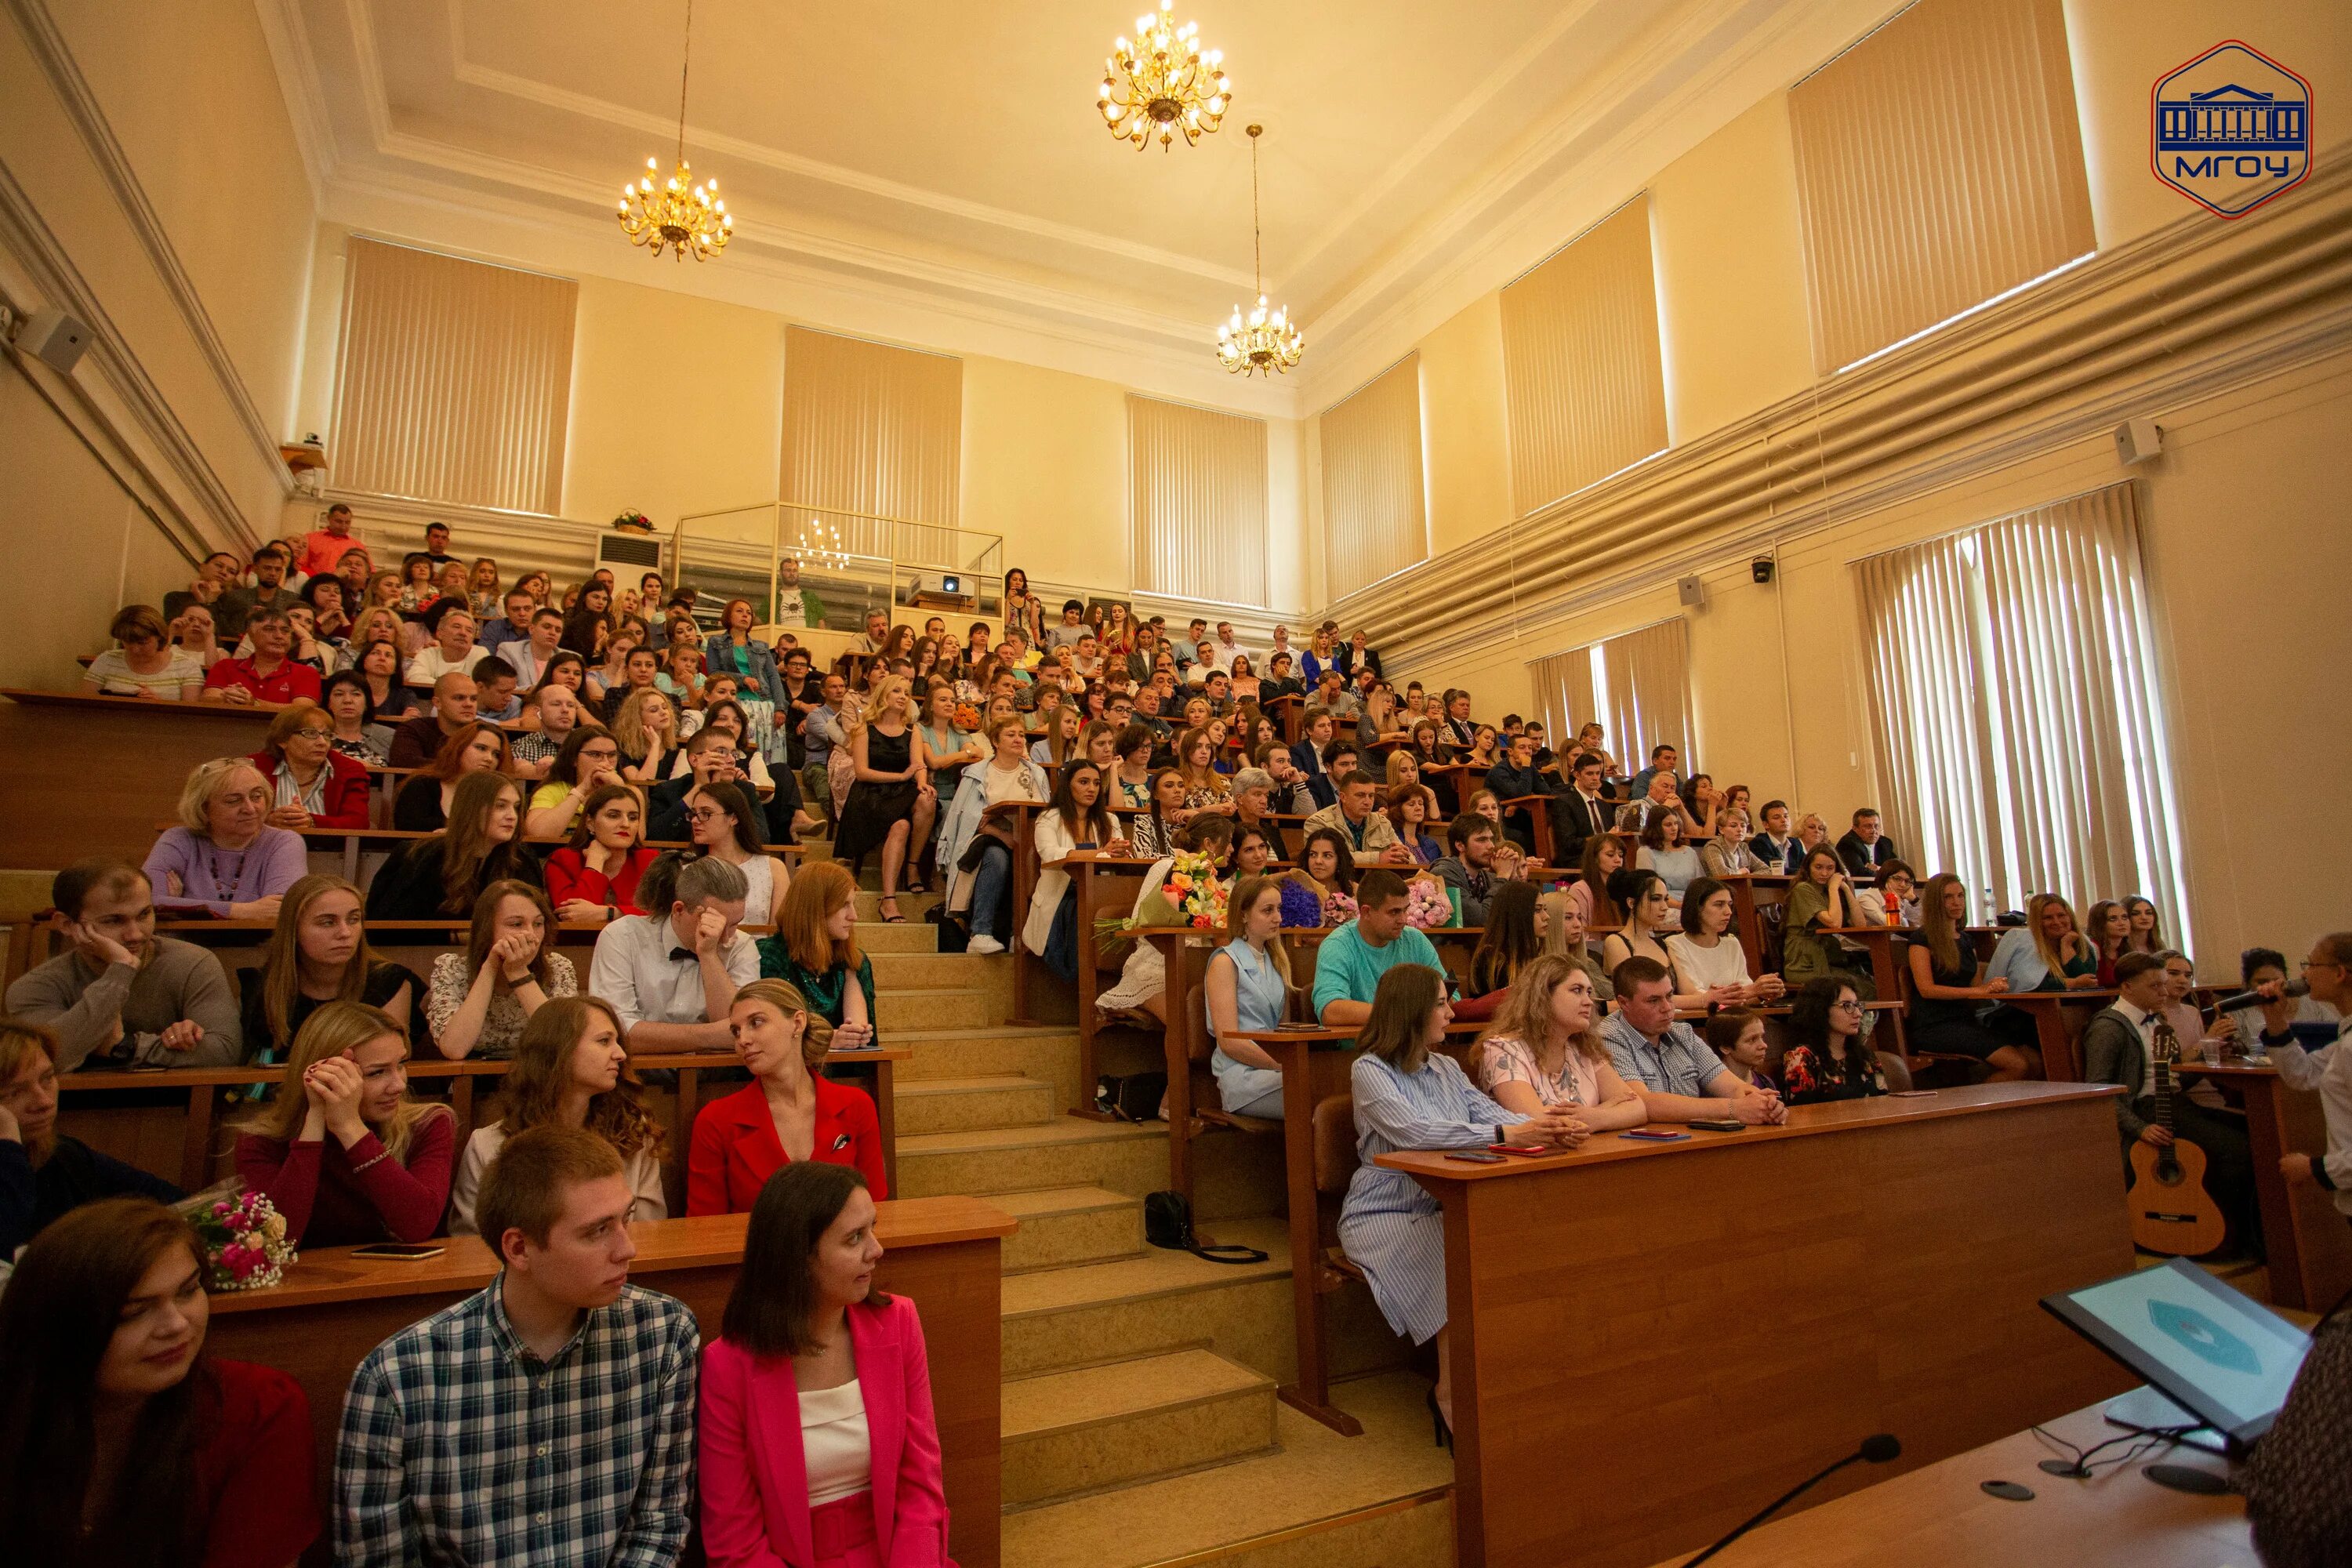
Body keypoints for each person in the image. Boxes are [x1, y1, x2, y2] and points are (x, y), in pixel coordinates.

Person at [336, 1124, 699, 1566]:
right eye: (597, 1231)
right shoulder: (397, 1377)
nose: (628, 1249)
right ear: (519, 1248)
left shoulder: (663, 1334)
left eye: (626, 1218)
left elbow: (658, 1527)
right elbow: (377, 1559)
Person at [0, 1197, 320, 1567]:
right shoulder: (17, 1414)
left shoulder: (257, 1406)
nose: (177, 1325)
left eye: (188, 1290)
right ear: (61, 1330)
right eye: (133, 1313)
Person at [1338, 964, 1582, 1439]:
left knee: (1510, 1246)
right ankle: (1450, 1393)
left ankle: (1506, 1382)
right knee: (1456, 1251)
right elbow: (1414, 1134)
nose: (1451, 1012)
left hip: (1447, 1203)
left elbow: (1497, 1115)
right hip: (1385, 1213)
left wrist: (1550, 1125)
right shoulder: (1368, 1069)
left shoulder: (1447, 1068)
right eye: (1440, 1003)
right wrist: (1512, 1130)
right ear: (1411, 1011)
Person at [231, 1001, 453, 1247]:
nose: (399, 1084)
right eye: (377, 1073)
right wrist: (316, 1118)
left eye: (401, 1064)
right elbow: (275, 1242)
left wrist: (350, 1128)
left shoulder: (429, 1124)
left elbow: (417, 1225)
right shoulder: (260, 1142)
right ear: (324, 1076)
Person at [2082, 951, 2257, 1258]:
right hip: (2145, 1110)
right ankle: (2225, 1237)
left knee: (2256, 1133)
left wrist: (2207, 1053)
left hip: (2173, 1101)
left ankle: (2250, 1234)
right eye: (2155, 987)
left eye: (2165, 984)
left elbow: (2173, 1078)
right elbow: (2099, 1091)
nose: (2165, 992)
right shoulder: (2110, 1027)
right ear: (2126, 987)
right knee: (2237, 1150)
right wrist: (2140, 1128)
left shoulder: (2157, 1020)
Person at [448, 997, 665, 1234]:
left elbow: (649, 1234)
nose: (621, 1054)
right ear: (559, 1050)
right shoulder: (488, 1147)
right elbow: (471, 1244)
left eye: (617, 1042)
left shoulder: (632, 1134)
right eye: (604, 1041)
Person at [5, 859, 240, 1071]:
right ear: (67, 924)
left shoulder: (194, 963)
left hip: (170, 1104)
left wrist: (126, 1046)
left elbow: (224, 1051)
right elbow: (53, 1058)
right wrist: (121, 968)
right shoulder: (34, 987)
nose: (135, 934)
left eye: (144, 915)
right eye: (113, 921)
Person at [687, 979, 887, 1218]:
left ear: (797, 1023)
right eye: (736, 1031)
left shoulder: (856, 1105)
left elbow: (877, 1208)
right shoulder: (716, 1120)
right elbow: (705, 1228)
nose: (743, 1040)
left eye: (756, 1022)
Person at [0, 1021, 184, 1254]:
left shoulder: (63, 1155)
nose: (44, 1102)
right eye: (14, 1092)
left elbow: (172, 1203)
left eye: (47, 1078)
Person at [589, 851, 759, 1052]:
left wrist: (708, 955)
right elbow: (616, 1031)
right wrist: (710, 1035)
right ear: (679, 910)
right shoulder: (622, 936)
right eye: (717, 923)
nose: (728, 937)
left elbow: (741, 1032)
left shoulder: (742, 945)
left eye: (735, 924)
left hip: (716, 1073)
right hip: (636, 1074)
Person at [240, 874, 418, 1065]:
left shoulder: (388, 981)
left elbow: (386, 1061)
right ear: (294, 929)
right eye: (328, 922)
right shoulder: (265, 984)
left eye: (353, 919)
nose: (345, 933)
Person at [1602, 956, 1787, 1126]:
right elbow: (1642, 1102)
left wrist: (1767, 1104)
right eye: (1653, 1001)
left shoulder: (1683, 1033)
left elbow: (1733, 1087)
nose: (1667, 1008)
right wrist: (1733, 1109)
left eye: (1669, 996)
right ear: (1624, 1003)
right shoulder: (1610, 1036)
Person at [1473, 955, 1648, 1128]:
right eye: (1576, 990)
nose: (1589, 1002)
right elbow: (1538, 1121)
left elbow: (1637, 1108)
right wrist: (1607, 1108)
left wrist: (1595, 1117)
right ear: (1543, 996)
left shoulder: (1583, 1047)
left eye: (1588, 992)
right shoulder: (1502, 1050)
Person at [2256, 933, 2352, 1221]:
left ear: (2340, 973)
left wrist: (2315, 1167)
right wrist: (2275, 1020)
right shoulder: (2345, 1039)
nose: (2304, 974)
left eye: (2311, 964)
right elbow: (2304, 1074)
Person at [426, 879, 576, 1060]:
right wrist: (490, 968)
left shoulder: (558, 967)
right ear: (486, 929)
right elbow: (455, 1049)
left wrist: (518, 972)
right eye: (516, 924)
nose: (530, 934)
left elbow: (562, 1044)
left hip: (539, 1077)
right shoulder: (451, 968)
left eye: (538, 924)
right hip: (474, 1079)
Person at [1901, 873, 2034, 1078]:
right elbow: (1927, 989)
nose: (1956, 902)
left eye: (1960, 896)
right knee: (2017, 1064)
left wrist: (1994, 987)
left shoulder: (1966, 941)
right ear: (1937, 902)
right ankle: (1984, 1107)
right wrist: (1978, 990)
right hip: (1935, 1025)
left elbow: (1976, 990)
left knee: (2034, 1059)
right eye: (1948, 897)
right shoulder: (1921, 940)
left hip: (1966, 1020)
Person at [141, 757, 307, 919]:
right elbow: (145, 902)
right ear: (204, 808)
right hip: (186, 943)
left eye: (257, 797)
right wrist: (240, 911)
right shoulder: (178, 839)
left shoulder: (284, 842)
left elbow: (281, 909)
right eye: (233, 801)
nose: (250, 809)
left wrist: (181, 905)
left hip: (259, 944)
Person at [938, 717, 1050, 956]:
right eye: (1011, 734)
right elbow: (970, 819)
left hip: (1029, 838)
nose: (1018, 739)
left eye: (1021, 734)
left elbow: (1045, 812)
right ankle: (981, 932)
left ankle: (1020, 935)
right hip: (989, 838)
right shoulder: (978, 774)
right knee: (996, 857)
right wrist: (1001, 834)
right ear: (995, 741)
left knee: (1034, 860)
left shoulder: (1036, 773)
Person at [368, 771, 538, 920]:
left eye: (516, 808)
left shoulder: (522, 858)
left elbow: (536, 921)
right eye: (500, 806)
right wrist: (457, 937)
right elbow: (388, 927)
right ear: (471, 808)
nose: (512, 816)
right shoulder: (422, 857)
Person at [833, 677, 933, 924]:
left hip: (900, 791)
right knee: (902, 824)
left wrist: (921, 781)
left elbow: (918, 764)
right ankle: (889, 901)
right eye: (896, 691)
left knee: (927, 799)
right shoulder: (863, 728)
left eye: (907, 693)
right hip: (870, 793)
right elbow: (862, 772)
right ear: (883, 696)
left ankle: (911, 867)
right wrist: (900, 776)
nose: (903, 696)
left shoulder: (913, 730)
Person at [1197, 876, 1296, 1120]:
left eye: (1279, 909)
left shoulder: (1277, 963)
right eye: (1268, 911)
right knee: (1313, 1093)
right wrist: (1284, 1066)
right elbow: (1229, 1041)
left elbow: (1284, 1030)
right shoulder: (1225, 962)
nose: (1278, 918)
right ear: (1243, 915)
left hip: (1276, 1070)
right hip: (1242, 1075)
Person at [1024, 760, 1129, 982]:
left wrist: (1121, 852)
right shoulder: (1049, 818)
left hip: (1101, 892)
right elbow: (1051, 854)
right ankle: (1089, 986)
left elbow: (1119, 852)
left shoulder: (1109, 820)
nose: (1091, 789)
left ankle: (1120, 983)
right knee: (1081, 913)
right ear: (1067, 785)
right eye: (1084, 782)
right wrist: (1101, 852)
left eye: (1096, 783)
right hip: (1062, 896)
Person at [1312, 869, 1446, 1040]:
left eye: (1405, 910)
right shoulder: (1337, 945)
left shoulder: (1415, 940)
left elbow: (1449, 996)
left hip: (1413, 1047)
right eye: (1394, 912)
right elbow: (1330, 1010)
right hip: (1356, 1053)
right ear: (1366, 912)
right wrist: (1402, 1014)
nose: (1403, 919)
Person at [758, 862, 879, 1049]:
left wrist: (854, 1035)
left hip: (842, 1070)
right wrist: (827, 1039)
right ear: (816, 908)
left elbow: (856, 1028)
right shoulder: (770, 955)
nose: (853, 916)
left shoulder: (853, 959)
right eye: (844, 905)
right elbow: (775, 1028)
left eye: (853, 904)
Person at [245, 699, 372, 831]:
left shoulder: (350, 771)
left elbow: (359, 823)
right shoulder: (254, 768)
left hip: (328, 850)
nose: (322, 742)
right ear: (282, 740)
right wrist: (266, 821)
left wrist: (312, 822)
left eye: (328, 735)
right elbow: (234, 816)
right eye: (311, 734)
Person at [689, 778, 795, 927]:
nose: (695, 820)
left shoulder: (773, 868)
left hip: (759, 949)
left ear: (733, 818)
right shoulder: (688, 871)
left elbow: (778, 935)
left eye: (706, 813)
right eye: (694, 813)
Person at [546, 782, 658, 923]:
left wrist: (609, 913)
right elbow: (573, 917)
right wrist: (595, 861)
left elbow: (665, 914)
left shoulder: (650, 861)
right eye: (613, 815)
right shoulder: (563, 860)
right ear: (590, 823)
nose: (625, 824)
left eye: (633, 817)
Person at [1666, 878, 1784, 1008]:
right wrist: (1753, 990)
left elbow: (1746, 994)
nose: (1728, 911)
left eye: (1730, 904)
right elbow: (1695, 995)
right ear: (1697, 908)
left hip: (1734, 1017)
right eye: (1719, 904)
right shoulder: (1676, 943)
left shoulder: (1732, 943)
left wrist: (1764, 993)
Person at [1780, 846, 1876, 996]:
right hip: (1805, 964)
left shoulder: (1831, 890)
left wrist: (1845, 888)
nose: (1824, 873)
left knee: (1870, 983)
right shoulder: (1803, 889)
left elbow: (1860, 924)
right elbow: (1834, 924)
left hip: (1829, 957)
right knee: (1858, 988)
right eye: (1818, 867)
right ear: (1808, 867)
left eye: (1830, 868)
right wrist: (1833, 888)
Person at [1779, 977, 1889, 1105]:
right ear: (1821, 1009)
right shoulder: (1802, 1058)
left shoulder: (1865, 1055)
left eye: (1857, 1005)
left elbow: (1884, 1102)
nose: (1858, 1013)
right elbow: (1803, 1115)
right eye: (1847, 1006)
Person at [392, 720, 512, 832]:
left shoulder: (499, 794)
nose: (489, 759)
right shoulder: (422, 785)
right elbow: (407, 829)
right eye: (481, 748)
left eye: (496, 754)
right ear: (459, 748)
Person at [201, 607, 321, 706]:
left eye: (285, 631)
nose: (279, 636)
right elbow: (207, 700)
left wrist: (254, 703)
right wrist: (226, 698)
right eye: (269, 629)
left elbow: (303, 710)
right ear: (251, 635)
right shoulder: (225, 666)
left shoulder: (306, 673)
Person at [84, 603, 205, 699]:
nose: (135, 649)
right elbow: (85, 707)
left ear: (159, 636)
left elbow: (190, 721)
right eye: (128, 642)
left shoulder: (186, 666)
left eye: (143, 643)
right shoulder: (106, 660)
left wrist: (158, 705)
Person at [1985, 891, 2101, 993]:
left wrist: (2067, 947)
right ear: (2037, 922)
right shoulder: (2023, 939)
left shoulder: (2082, 942)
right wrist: (2073, 983)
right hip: (2025, 1010)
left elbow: (2088, 982)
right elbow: (2027, 984)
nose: (2057, 922)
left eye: (2061, 915)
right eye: (2048, 918)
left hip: (2077, 1007)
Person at [524, 724, 624, 837]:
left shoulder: (631, 791)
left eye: (612, 755)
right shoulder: (551, 791)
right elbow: (538, 835)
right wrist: (582, 790)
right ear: (574, 759)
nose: (605, 762)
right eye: (596, 754)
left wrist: (620, 790)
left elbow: (635, 839)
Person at [387, 671, 480, 768]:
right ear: (437, 703)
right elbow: (405, 761)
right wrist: (462, 767)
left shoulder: (485, 731)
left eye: (474, 699)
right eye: (459, 698)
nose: (469, 704)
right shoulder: (413, 729)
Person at [214, 545, 299, 641]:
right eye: (267, 568)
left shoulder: (293, 601)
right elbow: (223, 629)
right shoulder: (236, 597)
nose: (273, 573)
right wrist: (246, 619)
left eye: (278, 569)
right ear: (255, 568)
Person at [1282, 825, 1359, 928]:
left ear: (1340, 860)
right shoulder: (1294, 890)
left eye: (1327, 856)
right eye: (1313, 855)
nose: (1318, 861)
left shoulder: (1355, 890)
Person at [1430, 815, 1501, 927]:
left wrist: (1514, 876)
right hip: (1447, 944)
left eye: (1491, 839)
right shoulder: (1444, 874)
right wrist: (1503, 877)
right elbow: (1480, 920)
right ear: (1460, 846)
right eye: (1482, 840)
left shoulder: (1488, 877)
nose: (1491, 846)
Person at [320, 668, 397, 764]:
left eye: (356, 694)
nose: (347, 700)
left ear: (366, 703)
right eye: (339, 694)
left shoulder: (389, 737)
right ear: (328, 703)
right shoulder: (317, 736)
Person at [1706, 1010, 1777, 1096]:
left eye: (1762, 1037)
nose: (1764, 1045)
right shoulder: (1710, 1091)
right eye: (1752, 1040)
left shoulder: (1766, 1083)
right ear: (1725, 1047)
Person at [1835, 808, 1904, 878]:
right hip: (1858, 888)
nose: (1873, 831)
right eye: (1868, 826)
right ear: (1855, 829)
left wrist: (1878, 869)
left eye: (1876, 826)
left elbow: (1898, 869)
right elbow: (1859, 874)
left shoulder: (1885, 843)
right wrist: (1886, 872)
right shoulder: (1847, 844)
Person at [1747, 800, 1797, 873]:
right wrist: (1802, 873)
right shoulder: (1758, 843)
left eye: (1786, 816)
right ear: (1766, 825)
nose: (1784, 820)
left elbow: (1807, 866)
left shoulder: (1796, 843)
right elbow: (1774, 870)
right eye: (1777, 817)